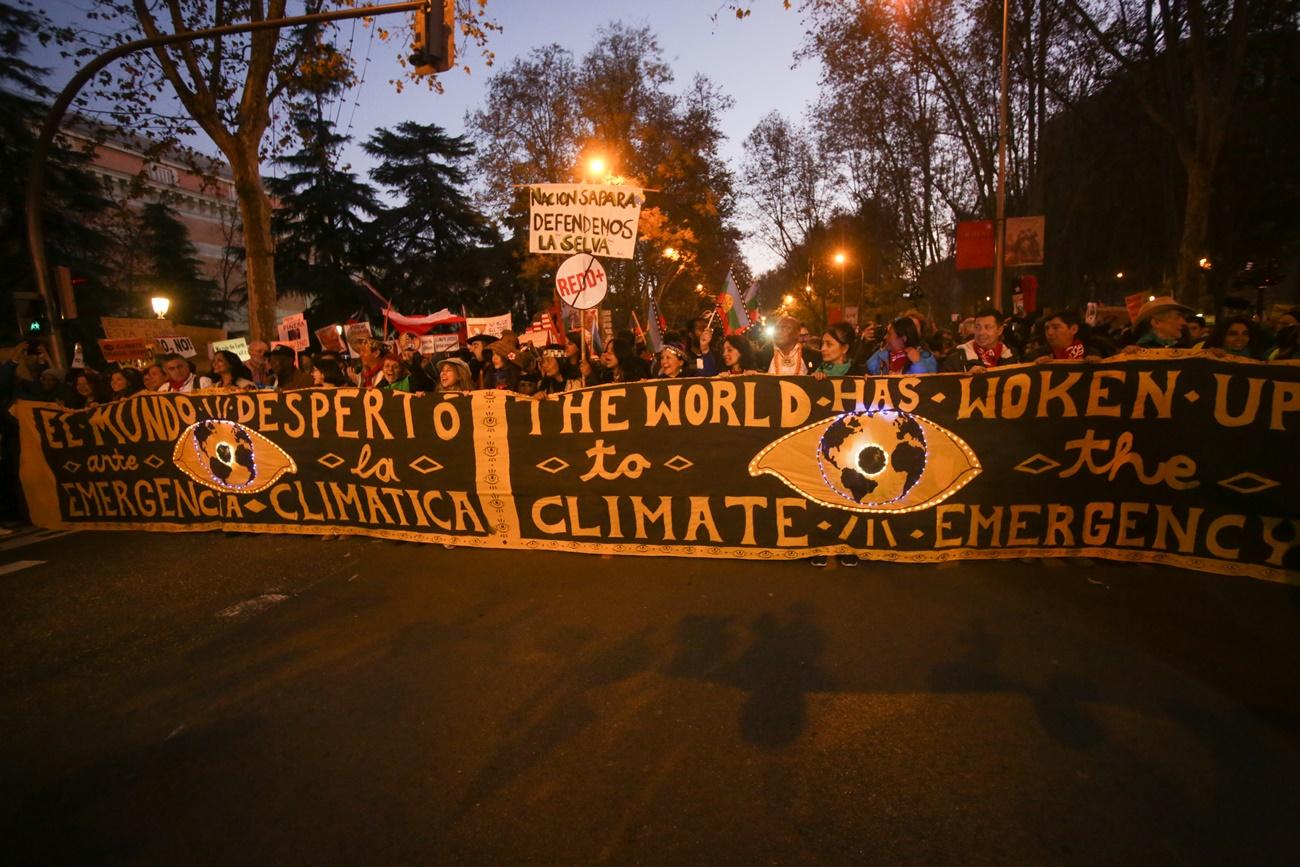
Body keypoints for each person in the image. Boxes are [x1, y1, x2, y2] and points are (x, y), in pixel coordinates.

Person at [943, 308, 1019, 372]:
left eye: (987, 327)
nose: (981, 332)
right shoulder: (957, 358)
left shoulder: (1012, 357)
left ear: (1000, 330)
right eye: (977, 327)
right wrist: (966, 378)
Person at [865, 318, 938, 375]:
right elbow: (866, 371)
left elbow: (926, 387)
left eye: (889, 334)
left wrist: (917, 364)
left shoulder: (926, 359)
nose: (885, 337)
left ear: (903, 339)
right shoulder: (882, 356)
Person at [1030, 309, 1108, 362]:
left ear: (1073, 329)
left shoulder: (1091, 353)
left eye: (1055, 327)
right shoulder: (1036, 355)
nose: (1050, 333)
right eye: (1047, 328)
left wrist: (1098, 365)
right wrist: (1034, 367)